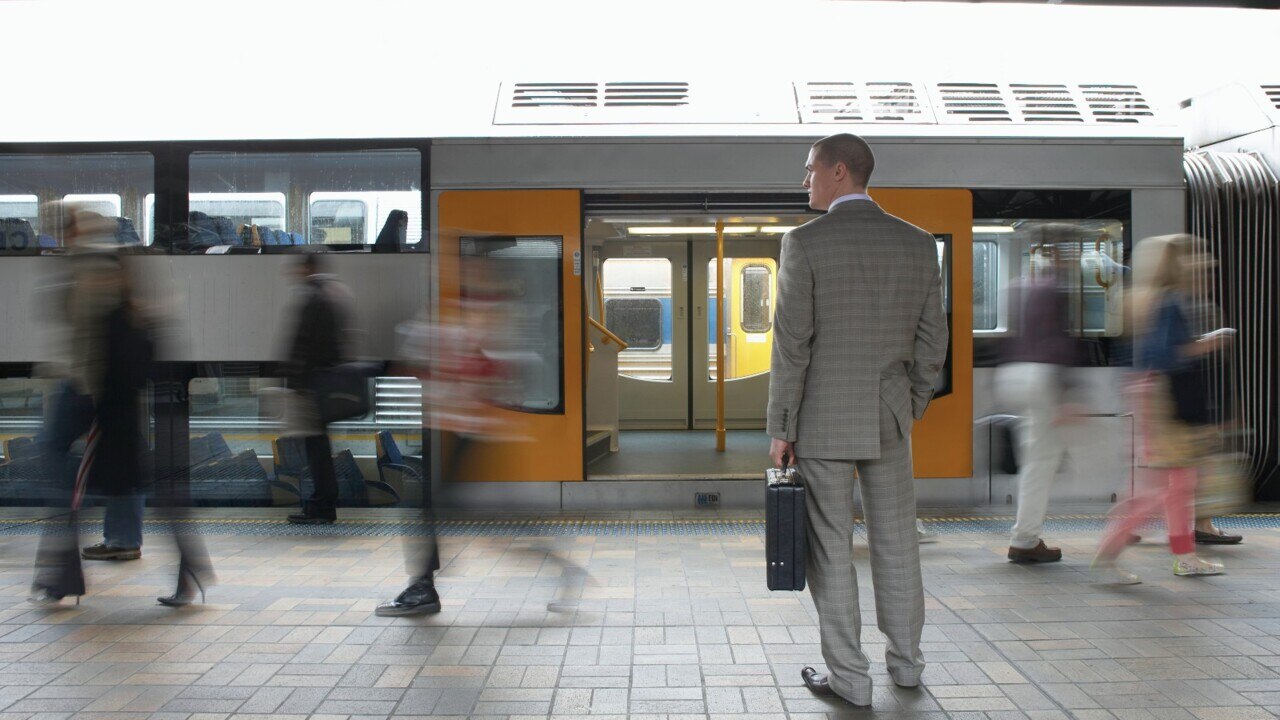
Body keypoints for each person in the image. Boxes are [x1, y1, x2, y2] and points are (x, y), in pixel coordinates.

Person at [768, 133, 948, 707]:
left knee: (830, 547)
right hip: (888, 418)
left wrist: (782, 427)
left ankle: (850, 677)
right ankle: (907, 665)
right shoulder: (918, 244)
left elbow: (792, 346)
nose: (806, 182)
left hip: (821, 421)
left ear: (839, 171)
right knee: (897, 543)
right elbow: (932, 344)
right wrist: (909, 404)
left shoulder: (804, 244)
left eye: (810, 170)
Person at [1093, 235, 1228, 583]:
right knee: (1156, 489)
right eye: (1190, 258)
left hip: (1151, 396)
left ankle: (1184, 555)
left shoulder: (1141, 300)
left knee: (1180, 483)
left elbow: (1132, 361)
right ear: (1174, 265)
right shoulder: (1168, 302)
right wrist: (1207, 344)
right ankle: (1109, 552)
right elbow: (1165, 355)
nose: (1199, 265)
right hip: (1163, 400)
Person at [30, 210, 135, 604]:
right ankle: (66, 569)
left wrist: (90, 392)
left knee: (63, 472)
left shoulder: (91, 268)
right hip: (84, 387)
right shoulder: (88, 264)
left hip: (86, 390)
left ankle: (64, 571)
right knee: (76, 471)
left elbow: (93, 340)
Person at [996, 229, 1087, 563]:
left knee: (1037, 457)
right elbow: (1058, 344)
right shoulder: (1057, 289)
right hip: (1041, 376)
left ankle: (1025, 535)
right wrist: (1066, 394)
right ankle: (1024, 539)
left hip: (1014, 374)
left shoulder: (1019, 286)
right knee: (1042, 462)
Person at [283, 252, 355, 524]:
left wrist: (295, 382)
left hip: (312, 384)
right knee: (319, 445)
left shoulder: (314, 296)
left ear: (307, 268)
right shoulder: (335, 293)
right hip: (326, 381)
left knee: (316, 448)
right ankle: (323, 503)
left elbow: (302, 343)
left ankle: (322, 505)